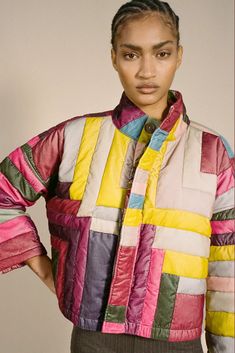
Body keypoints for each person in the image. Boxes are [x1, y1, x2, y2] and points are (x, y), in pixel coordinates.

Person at [0, 1, 234, 352]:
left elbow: (227, 264)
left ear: (179, 56)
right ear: (113, 57)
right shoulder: (75, 138)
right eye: (131, 55)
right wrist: (48, 270)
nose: (146, 71)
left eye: (162, 53)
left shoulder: (213, 152)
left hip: (177, 345)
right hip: (95, 340)